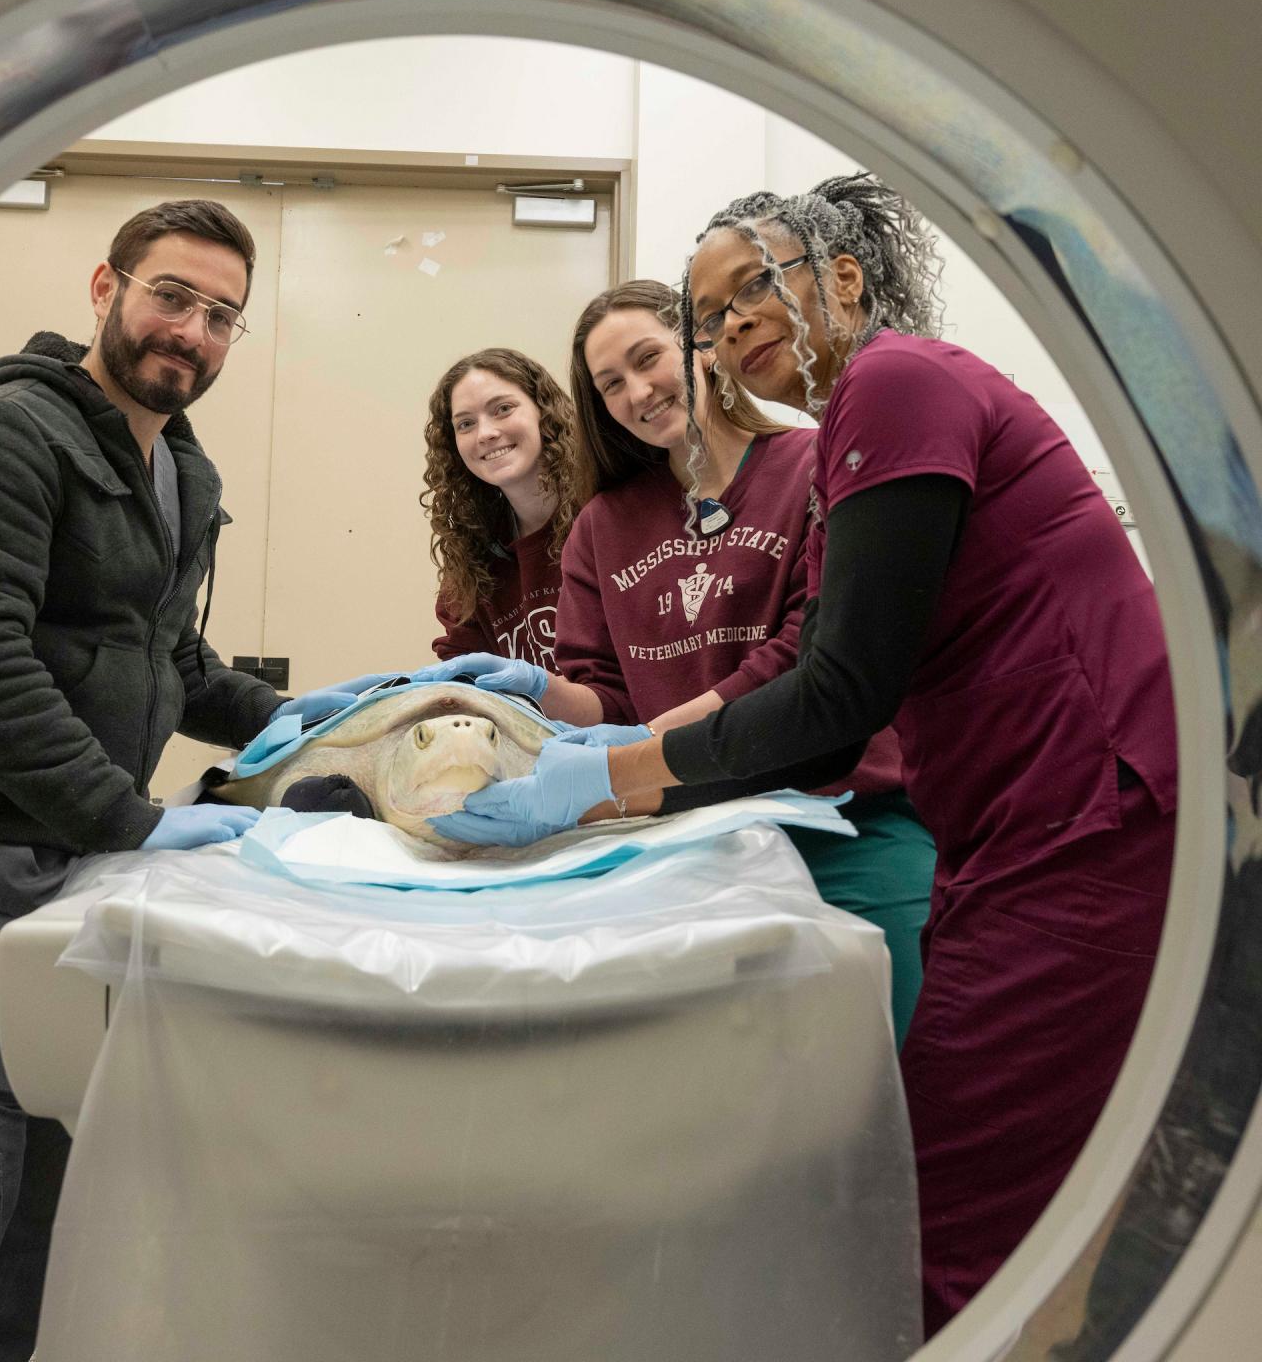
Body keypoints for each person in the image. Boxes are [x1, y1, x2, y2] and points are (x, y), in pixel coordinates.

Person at [437, 174, 1176, 1335]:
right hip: (1010, 826)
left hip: (1082, 813)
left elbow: (834, 693)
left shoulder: (894, 382)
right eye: (710, 313)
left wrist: (607, 776)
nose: (731, 326)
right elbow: (810, 687)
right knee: (967, 1185)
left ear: (841, 276)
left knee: (946, 1202)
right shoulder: (839, 446)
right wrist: (595, 748)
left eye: (752, 288)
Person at [0, 199, 366, 1359]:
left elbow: (169, 661)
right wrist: (126, 816)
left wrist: (305, 719)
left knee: (48, 1197)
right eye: (171, 297)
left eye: (221, 316)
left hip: (79, 872)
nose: (192, 331)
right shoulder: (3, 437)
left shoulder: (180, 470)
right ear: (106, 288)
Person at [423, 282, 932, 1044]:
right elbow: (605, 696)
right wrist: (535, 690)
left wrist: (643, 751)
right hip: (688, 831)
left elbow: (806, 652)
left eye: (647, 359)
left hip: (845, 816)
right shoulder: (604, 525)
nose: (637, 392)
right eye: (610, 384)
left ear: (701, 346)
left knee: (906, 1051)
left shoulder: (813, 467)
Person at [422, 347, 587, 678]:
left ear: (544, 411)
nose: (485, 433)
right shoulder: (473, 556)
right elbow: (463, 665)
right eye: (466, 424)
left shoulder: (602, 516)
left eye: (503, 409)